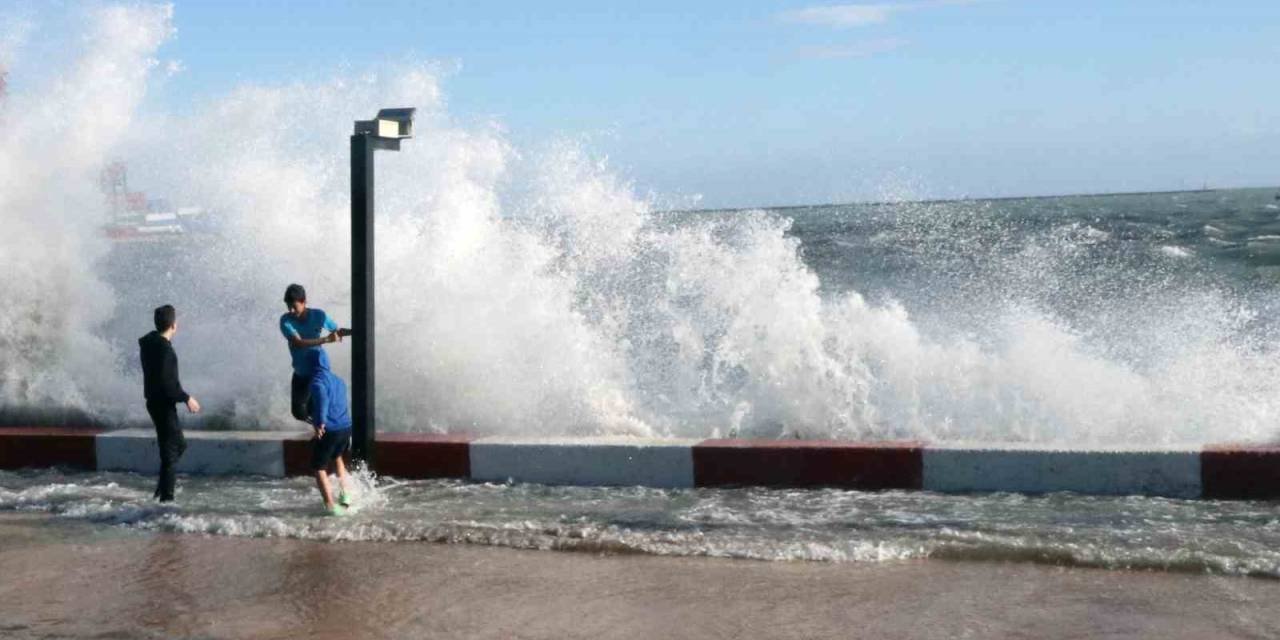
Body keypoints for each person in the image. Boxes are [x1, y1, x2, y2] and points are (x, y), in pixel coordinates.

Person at [138, 304, 201, 502]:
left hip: (154, 403)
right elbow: (168, 385)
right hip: (163, 405)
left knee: (177, 446)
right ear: (174, 325)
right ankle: (167, 499)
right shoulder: (166, 352)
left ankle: (163, 487)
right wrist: (187, 398)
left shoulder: (150, 343)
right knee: (172, 449)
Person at [279, 284, 350, 423]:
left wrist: (357, 331)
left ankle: (329, 430)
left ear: (304, 302)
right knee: (299, 413)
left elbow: (337, 331)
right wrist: (326, 339)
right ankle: (323, 428)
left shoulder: (319, 315)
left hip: (318, 369)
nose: (292, 310)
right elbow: (298, 343)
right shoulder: (285, 320)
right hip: (300, 372)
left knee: (318, 407)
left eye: (295, 306)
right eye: (289, 307)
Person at [304, 349, 354, 515]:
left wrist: (320, 423)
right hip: (345, 426)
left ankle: (331, 505)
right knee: (337, 457)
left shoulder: (318, 382)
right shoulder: (338, 380)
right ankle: (345, 495)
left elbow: (323, 401)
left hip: (330, 429)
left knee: (318, 467)